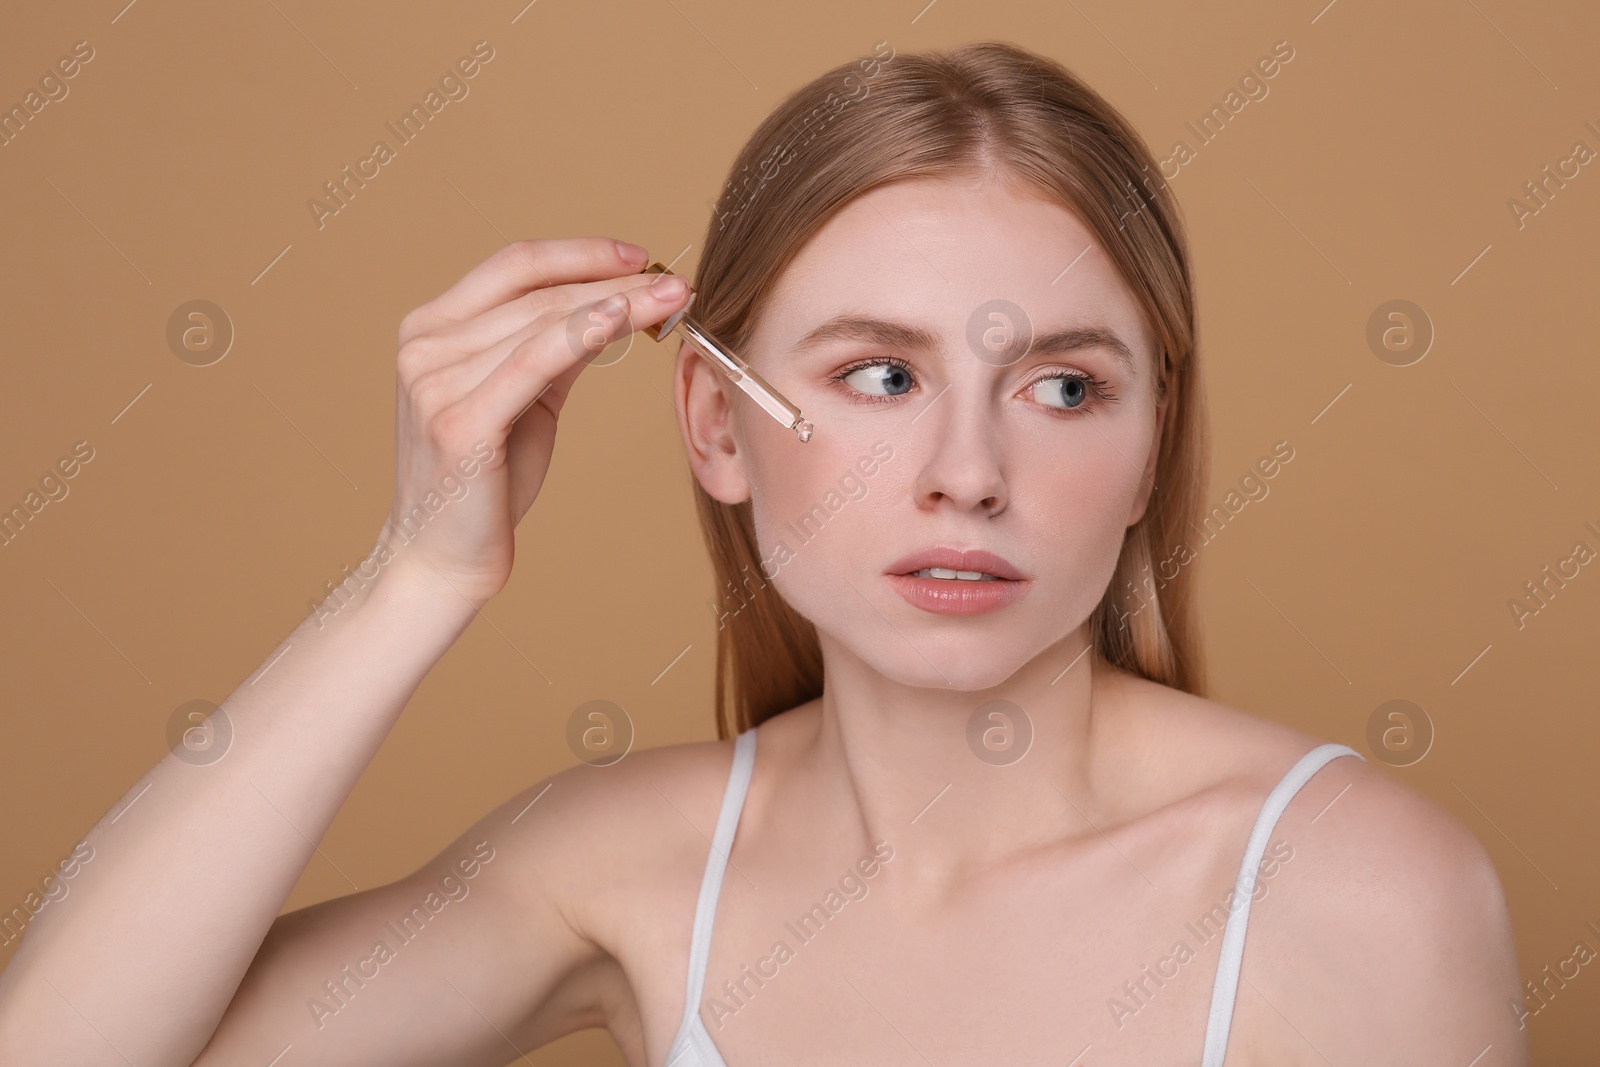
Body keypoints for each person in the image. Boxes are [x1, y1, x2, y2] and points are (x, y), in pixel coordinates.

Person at [0, 40, 1524, 1066]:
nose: (969, 474)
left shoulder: (1349, 887)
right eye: (879, 375)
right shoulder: (624, 862)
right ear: (718, 429)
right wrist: (417, 579)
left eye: (1063, 386)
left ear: (1147, 454)